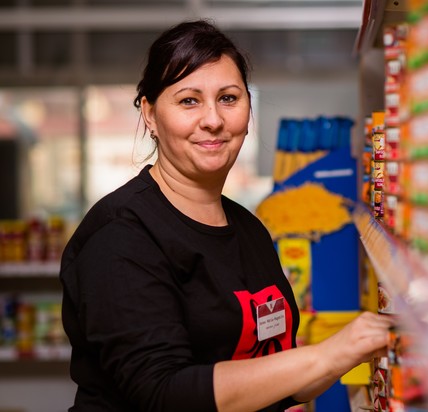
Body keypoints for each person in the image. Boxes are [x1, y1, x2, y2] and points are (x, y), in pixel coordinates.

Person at [60, 19, 393, 412]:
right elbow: (163, 393)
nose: (213, 120)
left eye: (229, 98)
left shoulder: (247, 228)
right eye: (189, 100)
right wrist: (328, 354)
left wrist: (360, 347)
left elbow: (272, 376)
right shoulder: (121, 235)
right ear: (150, 114)